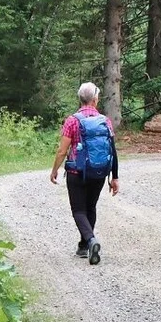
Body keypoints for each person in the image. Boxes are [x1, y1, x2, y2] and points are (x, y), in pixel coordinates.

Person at [50, 82, 119, 265]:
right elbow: (112, 150)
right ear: (95, 100)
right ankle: (83, 245)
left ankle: (91, 240)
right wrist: (115, 177)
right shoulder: (105, 121)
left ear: (80, 99)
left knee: (79, 210)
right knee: (91, 207)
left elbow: (62, 151)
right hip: (99, 172)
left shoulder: (72, 120)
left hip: (76, 171)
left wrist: (55, 169)